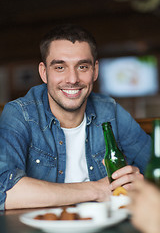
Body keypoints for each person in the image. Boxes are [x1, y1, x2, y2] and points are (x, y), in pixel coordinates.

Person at [0, 24, 151, 211]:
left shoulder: (110, 111)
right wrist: (97, 190)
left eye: (82, 66)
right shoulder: (19, 114)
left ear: (95, 71)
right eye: (60, 67)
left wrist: (141, 182)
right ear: (43, 72)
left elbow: (154, 167)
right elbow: (4, 193)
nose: (72, 79)